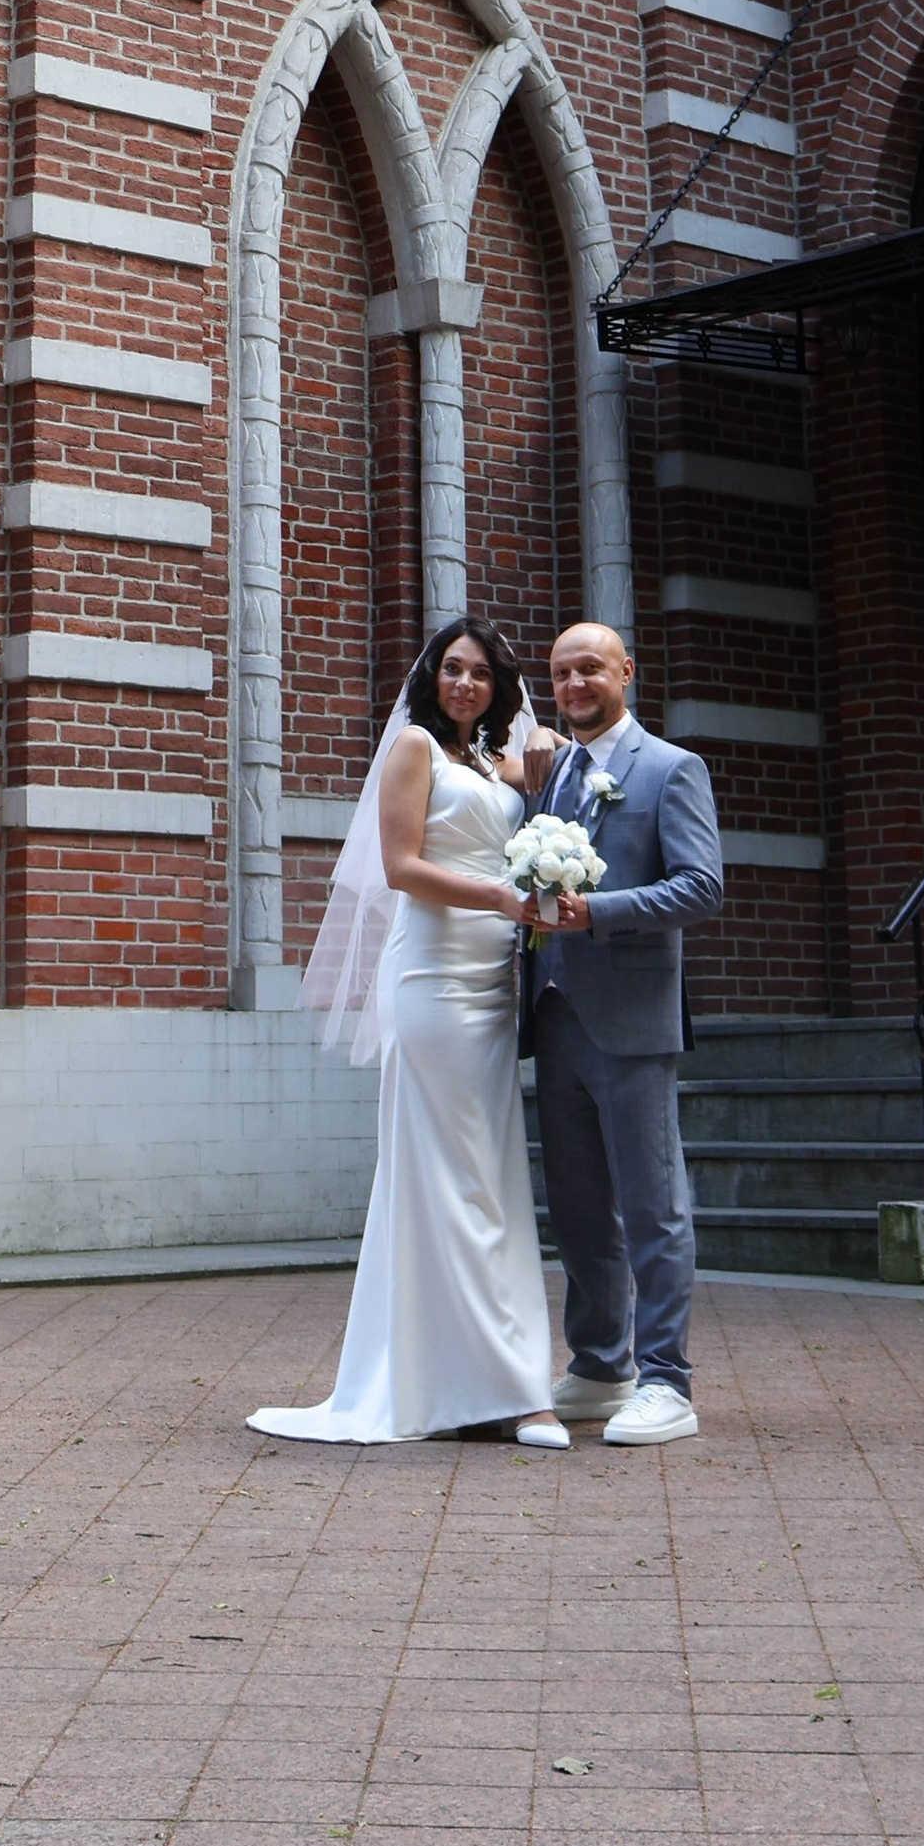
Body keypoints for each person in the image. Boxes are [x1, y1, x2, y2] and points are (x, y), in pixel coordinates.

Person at [248, 620, 572, 1449]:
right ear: (433, 678)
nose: (465, 684)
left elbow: (558, 784)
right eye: (452, 669)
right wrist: (498, 896)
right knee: (447, 1174)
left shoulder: (495, 763)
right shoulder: (415, 749)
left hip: (492, 981)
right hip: (431, 977)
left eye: (481, 674)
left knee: (490, 1177)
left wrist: (544, 745)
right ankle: (497, 1388)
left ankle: (481, 1382)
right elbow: (400, 868)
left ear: (499, 687)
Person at [525, 620, 724, 1448]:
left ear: (626, 672)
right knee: (577, 1209)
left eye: (591, 669)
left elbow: (701, 886)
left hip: (633, 1021)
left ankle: (667, 1379)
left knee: (652, 1206)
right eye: (561, 674)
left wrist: (596, 913)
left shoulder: (671, 769)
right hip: (554, 1016)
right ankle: (601, 1366)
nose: (575, 685)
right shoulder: (552, 775)